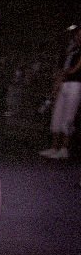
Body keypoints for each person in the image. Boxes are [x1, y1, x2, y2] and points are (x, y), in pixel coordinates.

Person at [39, 27, 81, 159]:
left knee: (68, 117)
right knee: (57, 115)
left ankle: (64, 148)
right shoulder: (72, 51)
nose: (78, 37)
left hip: (75, 84)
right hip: (63, 84)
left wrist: (63, 73)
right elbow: (62, 68)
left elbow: (75, 69)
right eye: (78, 35)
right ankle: (54, 147)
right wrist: (56, 84)